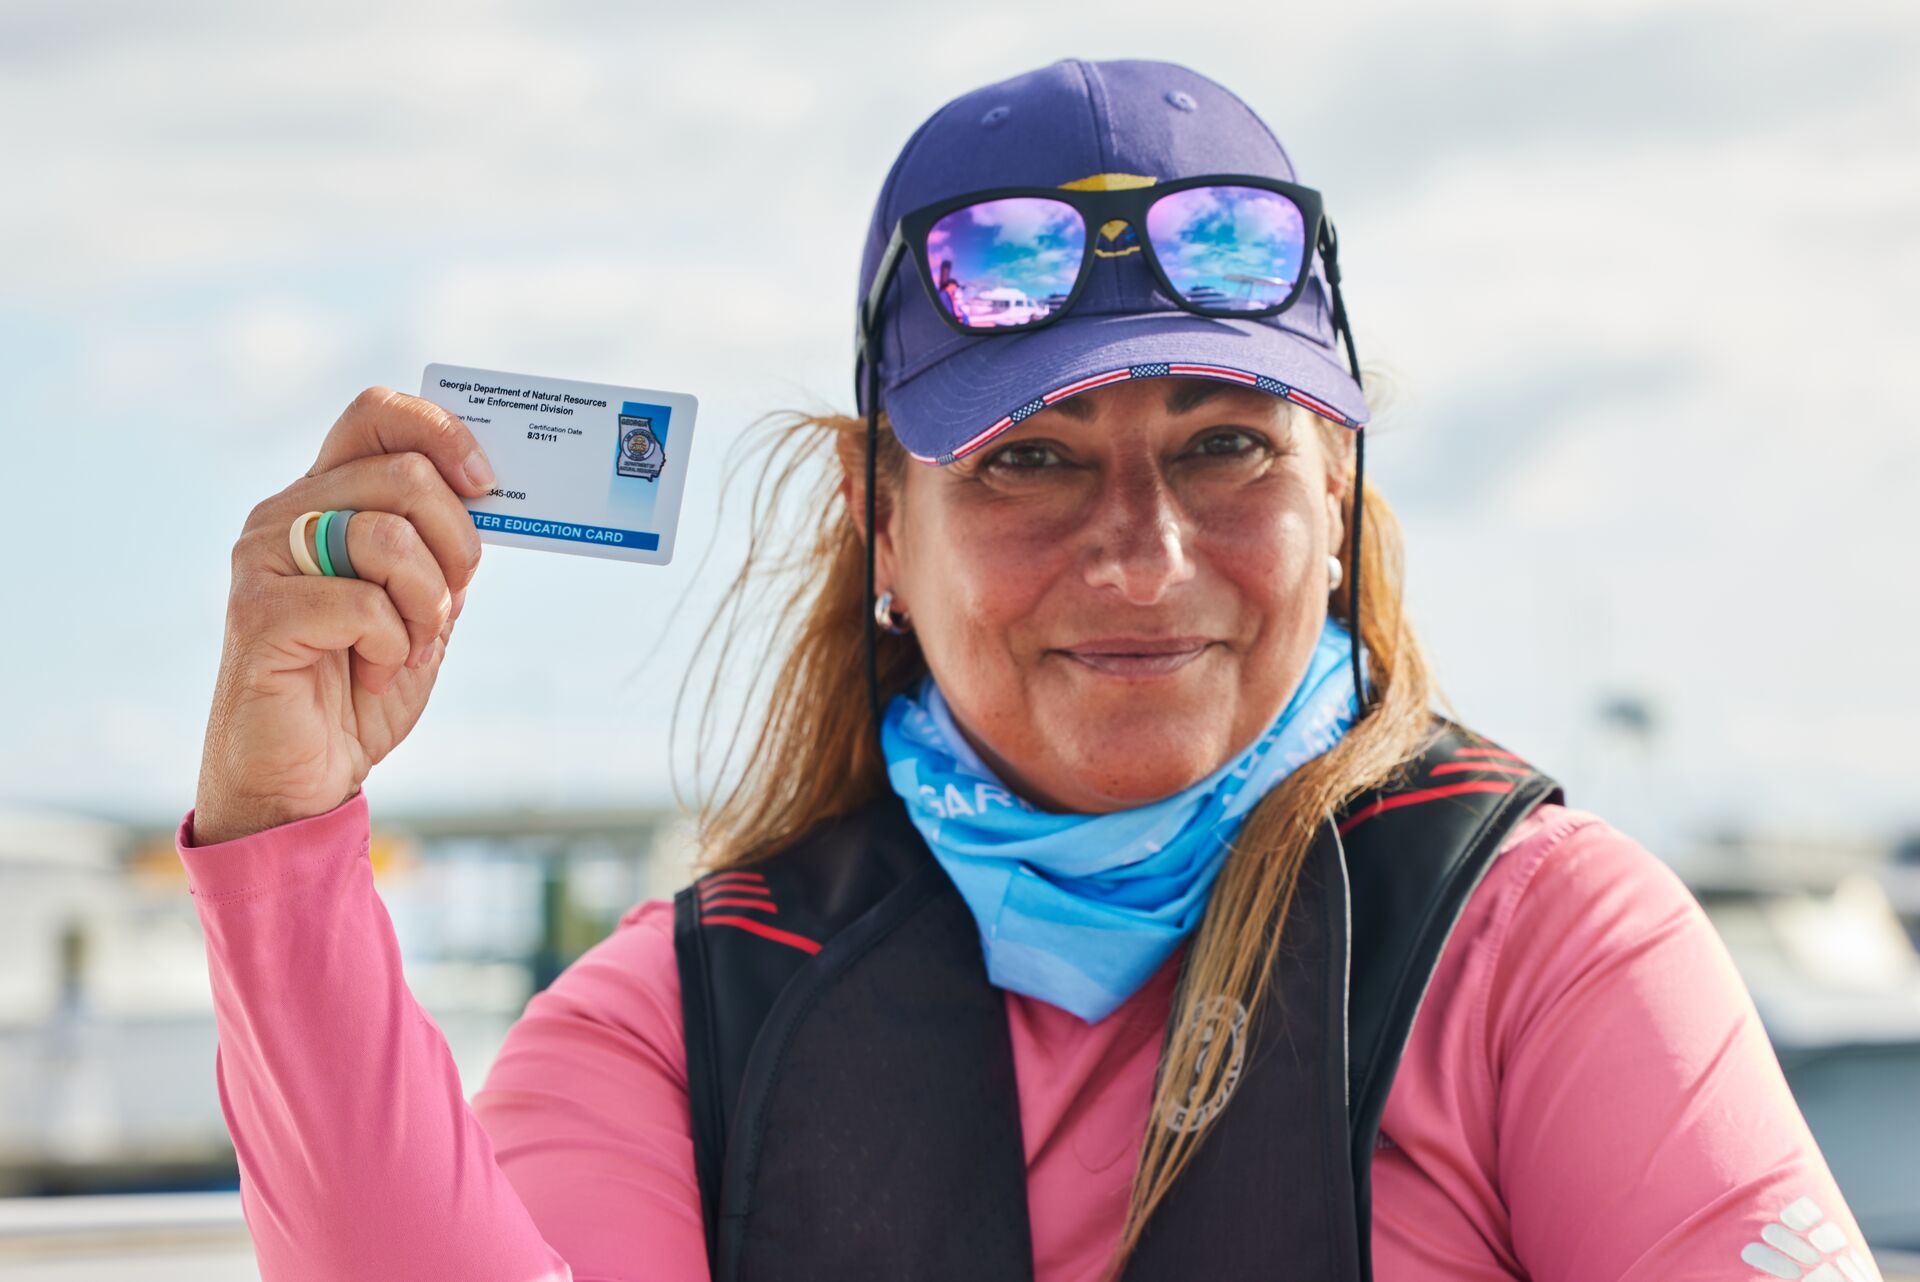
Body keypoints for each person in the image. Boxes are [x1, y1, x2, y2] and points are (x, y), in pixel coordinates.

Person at [176, 57, 1886, 1282]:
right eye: (1026, 458)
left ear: (1339, 498)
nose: (1142, 557)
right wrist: (282, 827)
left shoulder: (1539, 944)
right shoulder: (692, 1023)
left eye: (1225, 445)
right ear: (882, 525)